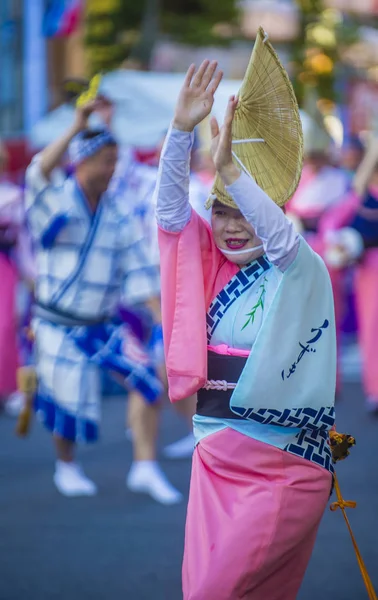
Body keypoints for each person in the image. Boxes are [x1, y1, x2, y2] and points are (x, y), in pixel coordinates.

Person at [156, 59, 336, 599]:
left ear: (271, 211)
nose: (230, 226)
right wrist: (179, 130)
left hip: (283, 468)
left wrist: (230, 170)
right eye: (221, 212)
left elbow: (278, 239)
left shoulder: (300, 267)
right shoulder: (211, 268)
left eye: (243, 213)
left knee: (216, 592)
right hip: (214, 457)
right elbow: (170, 217)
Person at [24, 99, 182, 504]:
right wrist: (77, 126)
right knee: (67, 403)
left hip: (101, 322)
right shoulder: (55, 198)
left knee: (146, 381)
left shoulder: (117, 213)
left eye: (115, 160)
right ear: (83, 161)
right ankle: (67, 466)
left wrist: (161, 319)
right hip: (57, 322)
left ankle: (144, 467)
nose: (112, 169)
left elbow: (139, 268)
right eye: (104, 161)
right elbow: (36, 172)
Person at [0, 140, 35, 415]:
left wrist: (31, 274)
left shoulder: (12, 196)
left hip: (6, 267)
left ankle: (11, 386)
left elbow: (24, 240)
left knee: (6, 326)